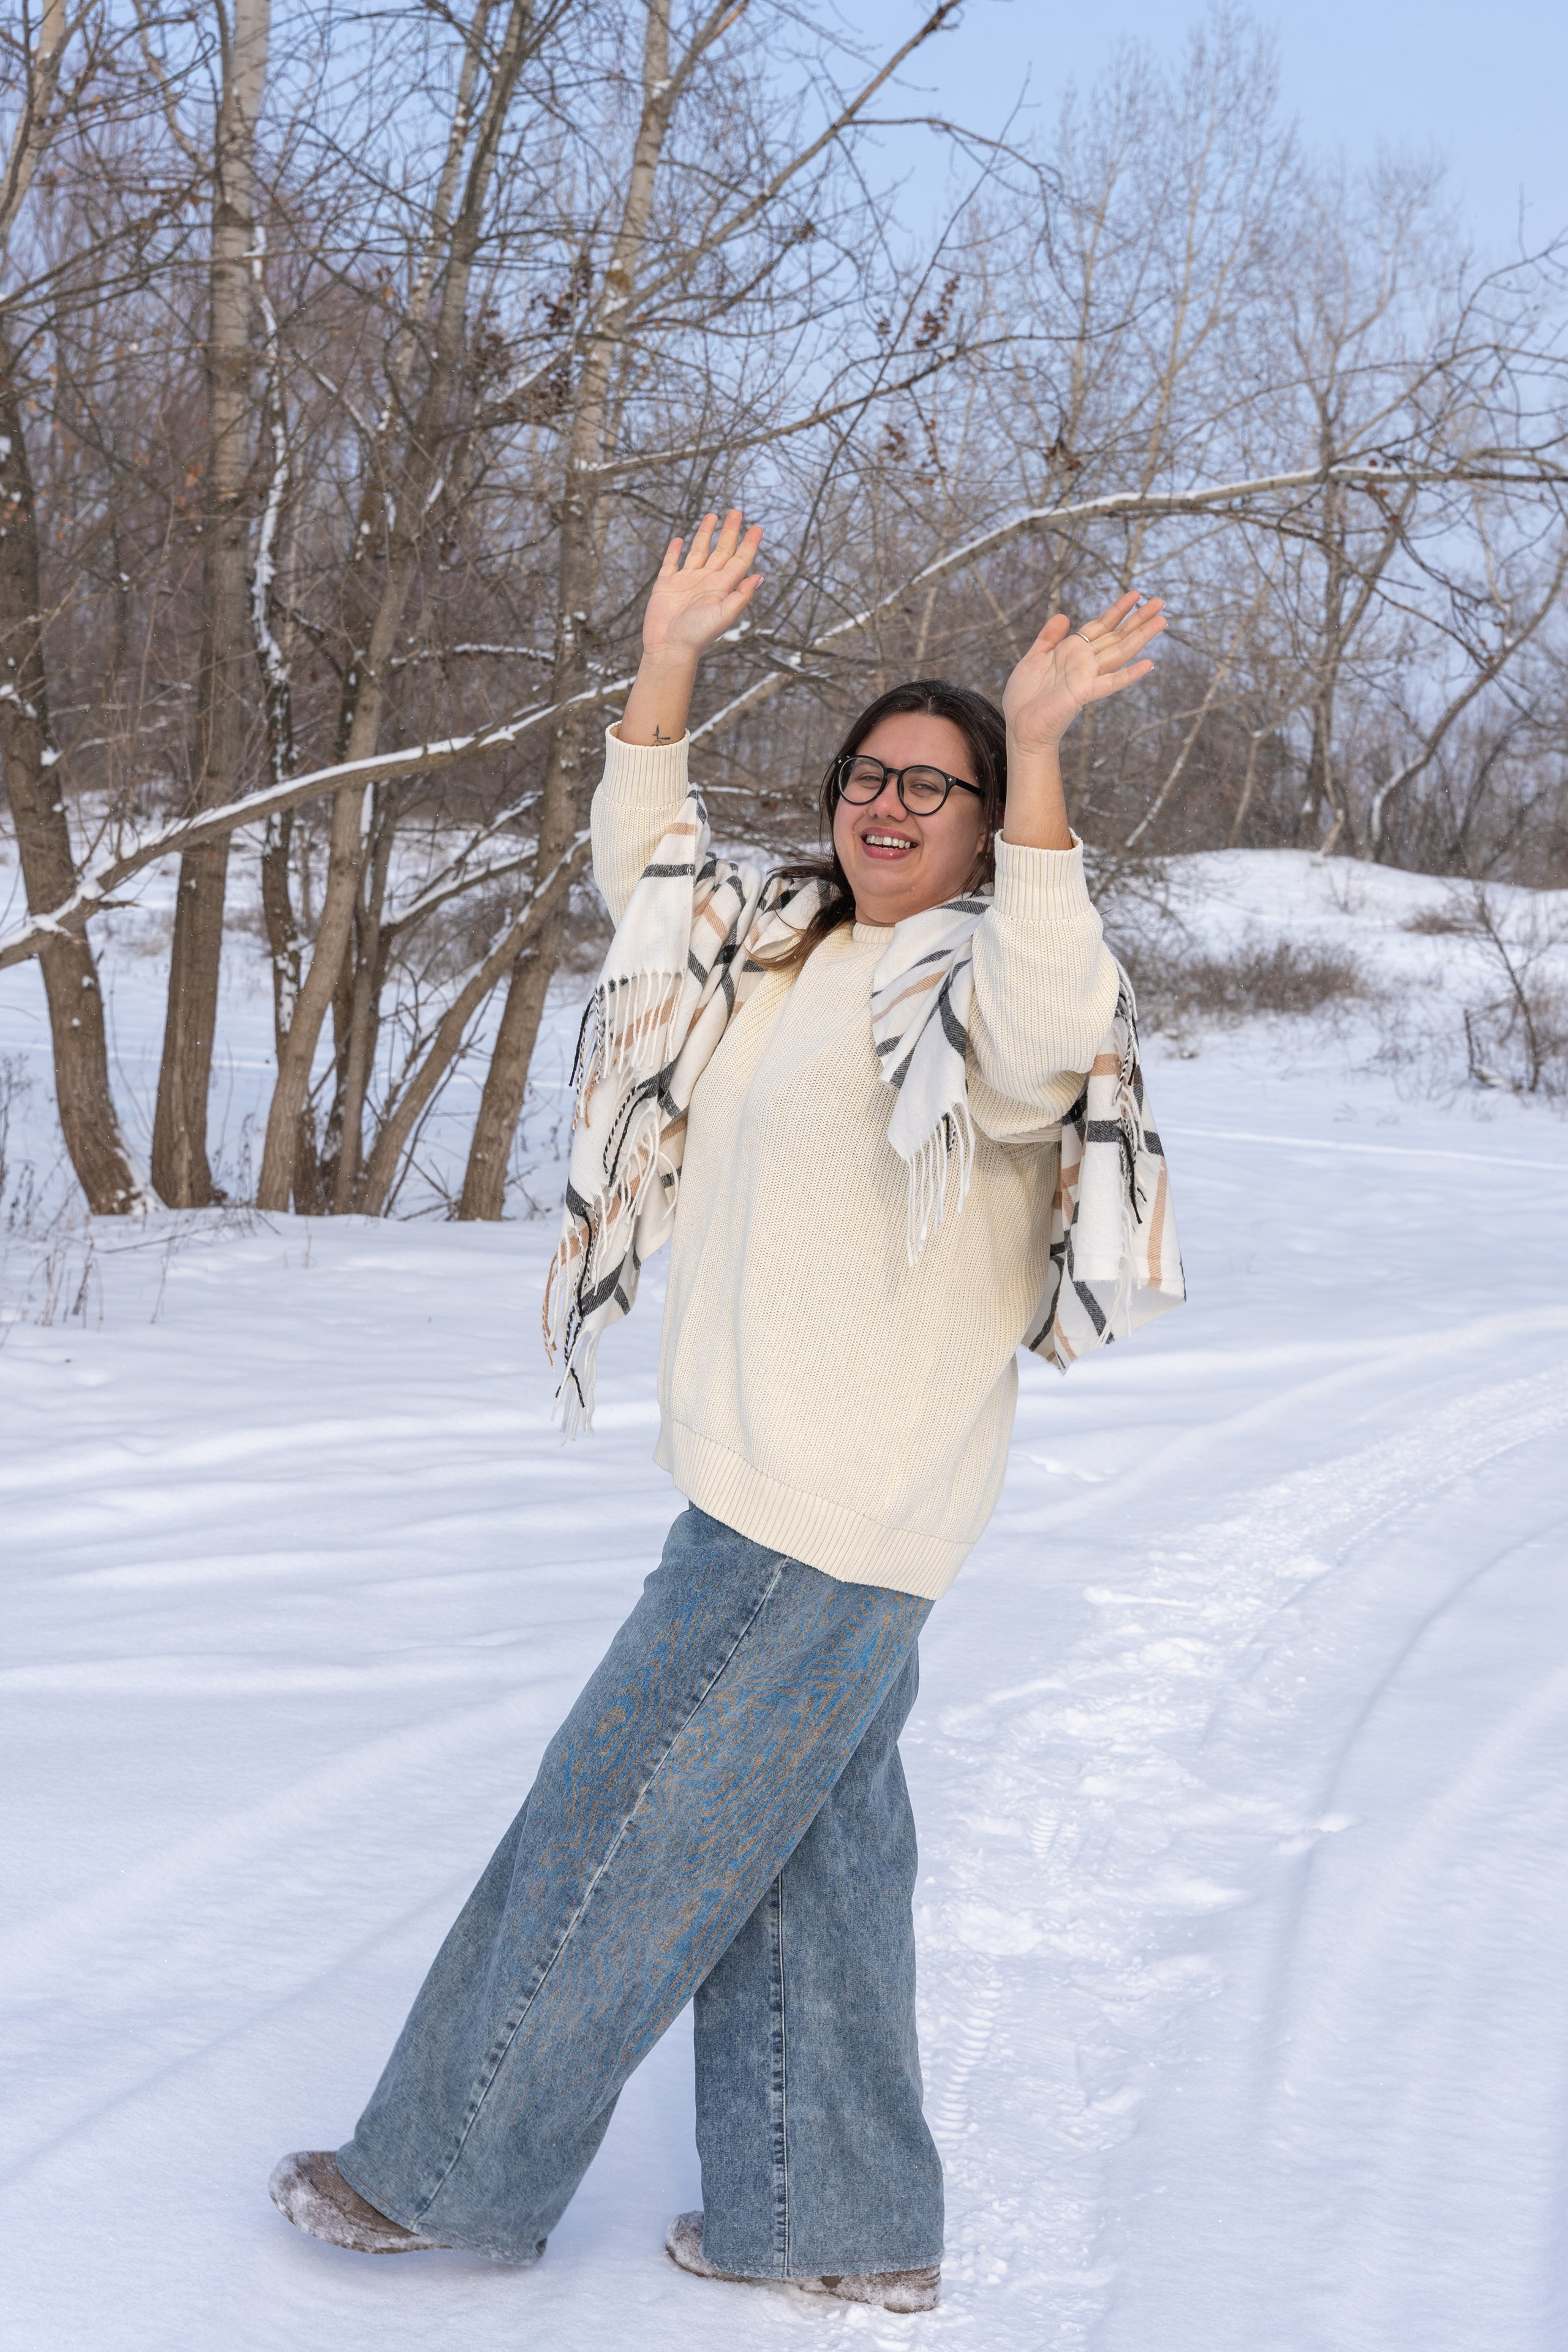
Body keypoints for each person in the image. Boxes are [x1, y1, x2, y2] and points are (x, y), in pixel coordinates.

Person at [269, 510, 1170, 2313]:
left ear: (994, 829)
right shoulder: (780, 945)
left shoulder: (986, 987)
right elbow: (648, 865)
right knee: (806, 1865)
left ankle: (440, 2175)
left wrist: (1049, 739)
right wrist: (669, 653)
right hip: (782, 1506)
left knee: (603, 1836)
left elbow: (1053, 1006)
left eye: (939, 785)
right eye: (868, 776)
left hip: (822, 1520)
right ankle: (831, 2222)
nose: (890, 807)